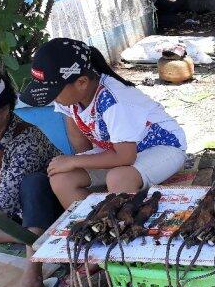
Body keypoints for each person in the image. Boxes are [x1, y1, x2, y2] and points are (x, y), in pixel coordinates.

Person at [20, 38, 188, 208]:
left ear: (82, 82)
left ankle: (122, 226)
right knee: (61, 178)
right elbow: (78, 138)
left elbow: (125, 157)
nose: (52, 99)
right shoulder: (70, 95)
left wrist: (74, 161)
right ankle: (93, 224)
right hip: (118, 150)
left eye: (54, 92)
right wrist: (80, 166)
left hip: (163, 148)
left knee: (118, 177)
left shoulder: (114, 101)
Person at [0, 66, 63, 287]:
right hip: (17, 216)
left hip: (50, 210)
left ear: (3, 112)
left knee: (33, 183)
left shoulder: (26, 141)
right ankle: (30, 237)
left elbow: (1, 208)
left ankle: (33, 277)